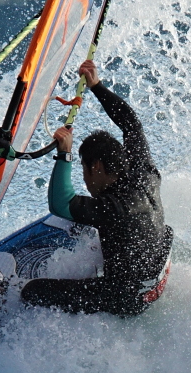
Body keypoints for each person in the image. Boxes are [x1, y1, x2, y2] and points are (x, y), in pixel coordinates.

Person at [18, 59, 173, 316]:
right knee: (106, 227)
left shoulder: (113, 207)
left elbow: (60, 204)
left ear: (97, 166)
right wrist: (97, 86)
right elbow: (131, 123)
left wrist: (64, 154)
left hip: (129, 299)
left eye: (84, 168)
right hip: (157, 275)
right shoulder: (144, 172)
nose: (85, 179)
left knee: (33, 291)